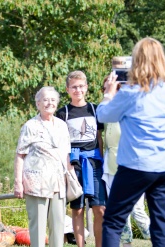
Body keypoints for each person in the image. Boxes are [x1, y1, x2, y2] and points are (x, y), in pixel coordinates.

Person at [96, 37, 165, 247]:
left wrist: (109, 94)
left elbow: (103, 115)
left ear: (137, 61)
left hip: (137, 165)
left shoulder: (129, 93)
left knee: (113, 221)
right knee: (160, 222)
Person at [14, 86, 71, 247]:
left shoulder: (62, 125)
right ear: (38, 103)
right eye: (45, 100)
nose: (49, 103)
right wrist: (18, 182)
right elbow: (20, 154)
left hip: (58, 181)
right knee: (37, 225)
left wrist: (71, 178)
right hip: (35, 182)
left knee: (58, 224)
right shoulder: (30, 126)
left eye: (53, 100)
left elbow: (67, 154)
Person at [56, 70, 106, 247]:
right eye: (74, 87)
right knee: (77, 209)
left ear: (86, 87)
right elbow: (60, 143)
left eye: (81, 86)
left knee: (100, 208)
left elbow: (99, 138)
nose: (78, 90)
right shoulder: (63, 113)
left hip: (94, 163)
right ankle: (80, 245)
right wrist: (65, 168)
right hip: (73, 165)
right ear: (68, 90)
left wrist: (103, 160)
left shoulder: (95, 109)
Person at [101, 78, 151, 247]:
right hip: (110, 167)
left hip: (131, 168)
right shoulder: (108, 111)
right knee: (119, 212)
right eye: (106, 87)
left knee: (137, 210)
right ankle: (126, 244)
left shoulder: (130, 109)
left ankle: (158, 240)